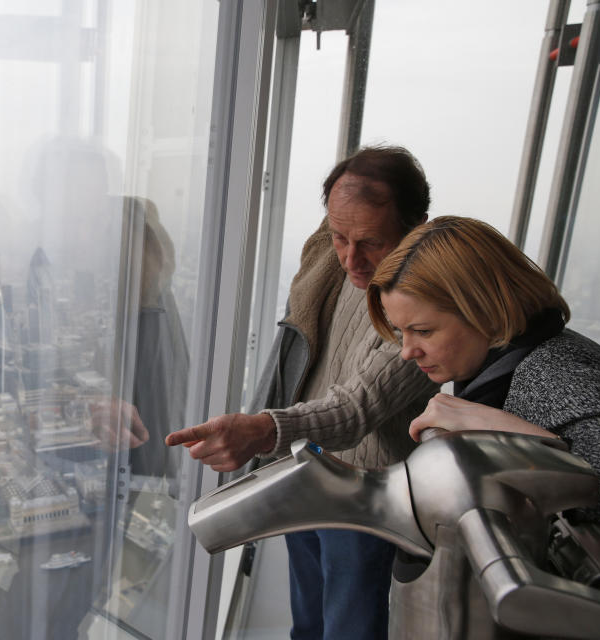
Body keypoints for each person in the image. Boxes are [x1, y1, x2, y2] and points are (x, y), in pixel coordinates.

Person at [165, 146, 441, 640]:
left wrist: (264, 428)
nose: (351, 259)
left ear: (416, 227)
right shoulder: (330, 260)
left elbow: (356, 408)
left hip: (365, 494)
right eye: (339, 236)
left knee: (347, 631)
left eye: (370, 242)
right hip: (308, 469)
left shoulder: (424, 307)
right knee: (307, 625)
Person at [366, 215, 600, 520]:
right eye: (402, 332)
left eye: (424, 331)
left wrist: (507, 432)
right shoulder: (508, 368)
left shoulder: (558, 375)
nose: (407, 352)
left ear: (488, 313)